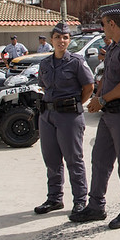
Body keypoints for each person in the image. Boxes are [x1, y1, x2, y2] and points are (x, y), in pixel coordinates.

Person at [70, 2, 120, 229]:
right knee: (100, 160)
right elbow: (107, 76)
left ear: (112, 23)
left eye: (103, 24)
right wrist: (98, 94)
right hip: (109, 113)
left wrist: (102, 99)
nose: (102, 28)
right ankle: (96, 206)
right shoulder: (113, 47)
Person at [33, 23, 95, 216]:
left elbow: (89, 88)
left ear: (69, 40)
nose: (62, 41)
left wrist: (74, 105)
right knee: (51, 159)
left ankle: (79, 200)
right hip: (47, 116)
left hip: (69, 116)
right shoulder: (44, 64)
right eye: (58, 37)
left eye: (66, 38)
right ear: (51, 39)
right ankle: (54, 198)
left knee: (73, 159)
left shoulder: (76, 62)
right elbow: (43, 86)